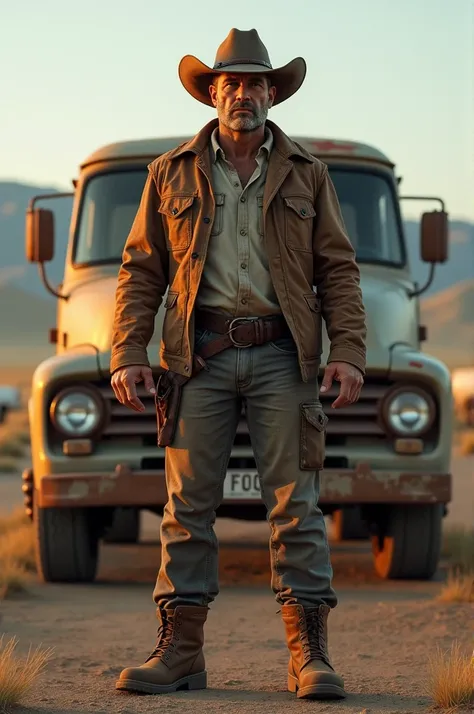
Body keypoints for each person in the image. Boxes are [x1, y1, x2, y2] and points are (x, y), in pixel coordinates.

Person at [110, 28, 367, 700]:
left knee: (297, 507)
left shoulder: (309, 173)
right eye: (231, 84)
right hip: (200, 357)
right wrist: (128, 353)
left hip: (286, 354)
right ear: (213, 93)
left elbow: (338, 268)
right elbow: (140, 270)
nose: (243, 94)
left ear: (272, 93)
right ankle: (179, 653)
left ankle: (309, 656)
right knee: (187, 508)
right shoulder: (170, 172)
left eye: (256, 83)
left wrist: (349, 355)